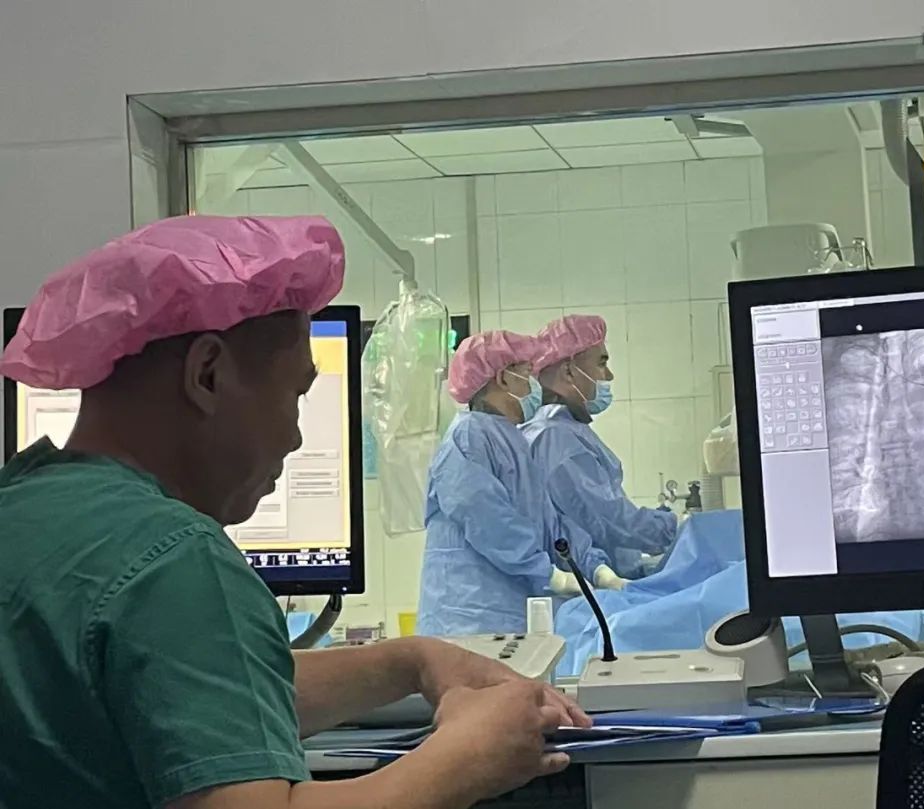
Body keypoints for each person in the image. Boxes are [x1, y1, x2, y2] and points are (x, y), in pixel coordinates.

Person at [0, 216, 589, 809]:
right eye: (295, 394)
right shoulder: (173, 559)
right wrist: (467, 759)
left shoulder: (24, 510)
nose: (296, 436)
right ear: (207, 374)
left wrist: (411, 661)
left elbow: (194, 690)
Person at [418, 330, 622, 637]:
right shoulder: (469, 437)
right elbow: (487, 519)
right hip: (470, 616)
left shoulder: (511, 439)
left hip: (508, 615)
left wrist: (594, 566)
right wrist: (549, 574)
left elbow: (548, 522)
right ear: (503, 378)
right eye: (527, 374)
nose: (535, 386)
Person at [524, 314, 677, 578]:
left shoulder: (563, 429)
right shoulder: (554, 438)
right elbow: (605, 518)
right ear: (569, 371)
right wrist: (676, 529)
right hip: (593, 589)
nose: (609, 375)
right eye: (602, 363)